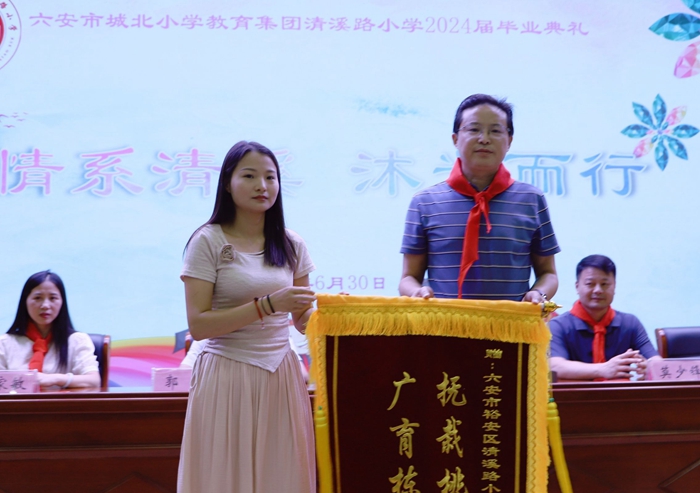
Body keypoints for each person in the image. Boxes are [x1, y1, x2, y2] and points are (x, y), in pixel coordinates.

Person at [177, 141, 316, 493]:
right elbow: (199, 324)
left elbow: (303, 319)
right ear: (227, 183)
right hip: (226, 374)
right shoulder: (207, 240)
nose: (262, 186)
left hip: (280, 373)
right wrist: (267, 305)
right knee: (223, 479)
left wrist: (334, 315)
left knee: (282, 477)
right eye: (250, 176)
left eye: (270, 177)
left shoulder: (292, 244)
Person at [400, 94, 560, 302]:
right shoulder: (425, 202)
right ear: (455, 139)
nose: (484, 138)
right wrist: (416, 292)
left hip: (512, 321)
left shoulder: (531, 199)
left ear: (509, 141)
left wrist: (538, 293)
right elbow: (408, 278)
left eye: (495, 131)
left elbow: (548, 273)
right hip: (443, 321)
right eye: (474, 129)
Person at [549, 255, 661, 380]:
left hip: (619, 392)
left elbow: (655, 361)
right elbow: (555, 366)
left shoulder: (630, 323)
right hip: (575, 393)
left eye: (604, 284)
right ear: (577, 286)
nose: (598, 290)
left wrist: (650, 368)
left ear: (614, 286)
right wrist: (602, 369)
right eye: (590, 284)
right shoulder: (558, 325)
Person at [0, 270, 100, 389]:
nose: (45, 305)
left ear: (62, 302)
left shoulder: (77, 340)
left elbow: (94, 381)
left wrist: (55, 379)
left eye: (53, 298)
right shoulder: (5, 343)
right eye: (38, 298)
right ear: (25, 301)